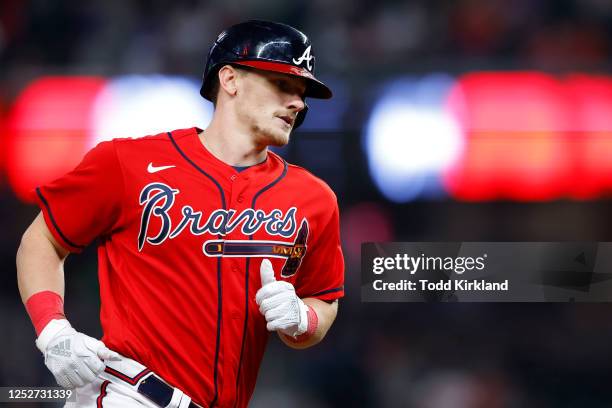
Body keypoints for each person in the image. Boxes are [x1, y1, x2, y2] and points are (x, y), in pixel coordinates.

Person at [17, 20, 344, 408]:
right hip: (130, 394)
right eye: (283, 85)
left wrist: (303, 320)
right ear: (230, 79)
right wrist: (53, 328)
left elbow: (324, 300)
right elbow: (42, 239)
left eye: (302, 91)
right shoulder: (129, 163)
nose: (298, 102)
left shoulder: (313, 199)